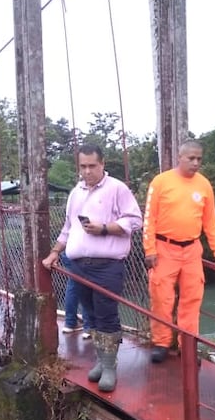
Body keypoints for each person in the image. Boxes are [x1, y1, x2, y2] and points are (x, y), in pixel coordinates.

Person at [42, 144, 142, 392]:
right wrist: (55, 252)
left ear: (102, 164)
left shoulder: (117, 188)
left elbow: (135, 220)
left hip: (107, 265)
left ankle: (109, 367)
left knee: (106, 314)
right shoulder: (75, 192)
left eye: (92, 166)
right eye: (83, 166)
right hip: (78, 265)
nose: (87, 171)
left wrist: (105, 228)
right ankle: (101, 360)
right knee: (91, 314)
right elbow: (68, 228)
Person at [143, 140, 215, 363]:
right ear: (180, 157)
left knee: (192, 299)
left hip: (191, 250)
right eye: (191, 158)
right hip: (163, 248)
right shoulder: (161, 182)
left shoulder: (204, 185)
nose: (196, 163)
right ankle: (161, 342)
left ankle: (187, 345)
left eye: (199, 159)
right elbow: (149, 219)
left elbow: (211, 220)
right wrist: (149, 248)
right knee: (162, 297)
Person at [60, 252, 95, 339]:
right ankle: (89, 327)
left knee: (73, 283)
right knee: (87, 284)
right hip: (84, 252)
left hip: (69, 251)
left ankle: (70, 323)